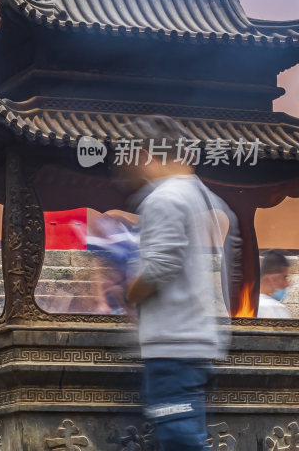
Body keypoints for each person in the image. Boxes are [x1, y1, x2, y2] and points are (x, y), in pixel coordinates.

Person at [121, 115, 234, 451]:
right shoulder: (203, 195)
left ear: (148, 153)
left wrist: (129, 294)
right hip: (196, 339)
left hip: (173, 343)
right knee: (180, 436)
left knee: (180, 439)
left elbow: (161, 266)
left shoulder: (164, 199)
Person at [258, 250, 292, 318]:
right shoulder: (278, 310)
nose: (287, 284)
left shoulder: (246, 306)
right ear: (272, 278)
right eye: (284, 277)